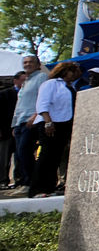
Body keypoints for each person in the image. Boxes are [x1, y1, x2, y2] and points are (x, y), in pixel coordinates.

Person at [29, 61, 81, 198]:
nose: (74, 74)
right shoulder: (51, 84)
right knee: (46, 155)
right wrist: (48, 122)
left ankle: (49, 187)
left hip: (64, 123)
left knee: (56, 157)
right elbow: (43, 103)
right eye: (72, 71)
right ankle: (37, 189)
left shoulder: (70, 87)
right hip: (50, 122)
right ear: (64, 71)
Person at [11, 56, 48, 193]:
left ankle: (31, 183)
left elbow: (43, 97)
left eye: (30, 62)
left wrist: (36, 115)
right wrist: (14, 124)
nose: (27, 64)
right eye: (25, 62)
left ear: (38, 64)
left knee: (25, 151)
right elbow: (19, 104)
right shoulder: (26, 81)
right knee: (19, 154)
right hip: (20, 121)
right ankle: (25, 182)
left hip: (31, 120)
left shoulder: (41, 77)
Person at [0, 71, 25, 188]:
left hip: (21, 129)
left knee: (20, 156)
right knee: (4, 157)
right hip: (6, 131)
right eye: (22, 80)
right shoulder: (5, 94)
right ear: (16, 81)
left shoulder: (27, 94)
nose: (24, 83)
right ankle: (2, 180)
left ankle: (19, 179)